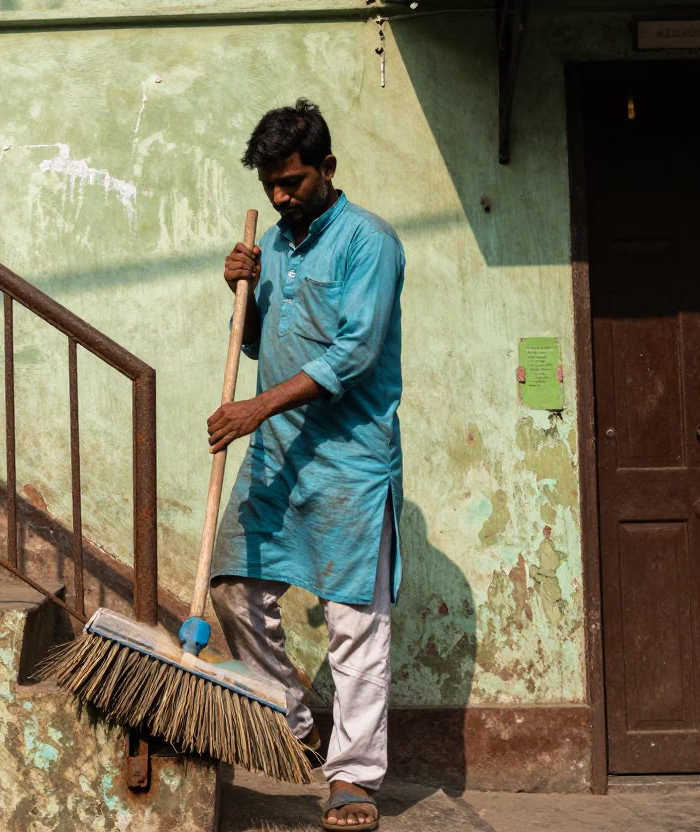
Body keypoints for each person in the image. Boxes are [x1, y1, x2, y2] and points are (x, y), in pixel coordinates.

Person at [207, 99, 404, 831]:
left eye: (292, 182)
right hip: (281, 456)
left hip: (351, 461)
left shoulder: (369, 242)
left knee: (354, 623)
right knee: (231, 583)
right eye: (270, 186)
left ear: (326, 168)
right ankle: (292, 727)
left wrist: (254, 410)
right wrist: (242, 294)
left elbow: (353, 353)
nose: (281, 197)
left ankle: (352, 779)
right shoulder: (278, 248)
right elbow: (263, 346)